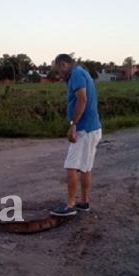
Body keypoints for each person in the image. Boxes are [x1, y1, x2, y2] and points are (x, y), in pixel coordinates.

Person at [50, 54, 102, 217]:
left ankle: (70, 205)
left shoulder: (77, 74)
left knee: (71, 166)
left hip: (84, 130)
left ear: (64, 64)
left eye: (59, 71)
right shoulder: (81, 72)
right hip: (92, 128)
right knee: (85, 167)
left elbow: (82, 99)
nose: (59, 75)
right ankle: (84, 202)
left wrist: (73, 125)